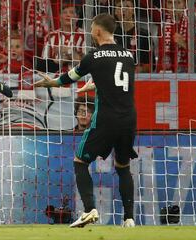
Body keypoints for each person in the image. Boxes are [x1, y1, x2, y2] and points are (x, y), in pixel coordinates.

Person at [34, 13, 138, 228]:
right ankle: (129, 219)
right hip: (128, 118)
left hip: (106, 118)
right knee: (123, 166)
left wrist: (51, 83)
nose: (90, 32)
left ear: (98, 31)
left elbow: (68, 78)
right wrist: (98, 84)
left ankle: (89, 209)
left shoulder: (94, 56)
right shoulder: (129, 55)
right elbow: (118, 82)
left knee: (80, 161)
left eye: (91, 28)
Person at [39, 3, 85, 73]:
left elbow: (86, 63)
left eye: (71, 12)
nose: (68, 15)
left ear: (77, 17)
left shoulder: (84, 35)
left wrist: (68, 51)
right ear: (60, 17)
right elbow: (43, 64)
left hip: (79, 79)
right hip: (54, 78)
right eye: (64, 12)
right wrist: (61, 60)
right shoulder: (50, 36)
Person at [114, 0, 153, 73]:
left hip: (137, 79)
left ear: (133, 11)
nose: (123, 10)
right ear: (115, 12)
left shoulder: (144, 35)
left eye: (127, 6)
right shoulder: (111, 35)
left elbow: (151, 65)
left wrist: (141, 69)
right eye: (120, 7)